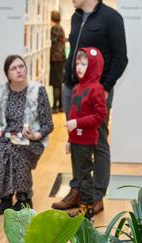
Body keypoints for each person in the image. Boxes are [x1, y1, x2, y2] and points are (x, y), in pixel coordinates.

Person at [54, 0, 127, 216]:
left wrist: (105, 87)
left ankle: (96, 196)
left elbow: (121, 57)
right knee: (77, 139)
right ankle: (78, 189)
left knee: (99, 141)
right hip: (72, 88)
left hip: (96, 91)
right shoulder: (76, 17)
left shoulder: (111, 18)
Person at [0, 55, 54, 214]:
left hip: (31, 140)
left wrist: (35, 135)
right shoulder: (0, 91)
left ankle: (24, 197)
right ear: (7, 74)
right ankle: (5, 197)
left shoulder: (38, 90)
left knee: (16, 148)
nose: (19, 70)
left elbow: (48, 124)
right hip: (5, 137)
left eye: (21, 66)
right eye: (14, 68)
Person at [65, 48, 108, 219]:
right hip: (75, 139)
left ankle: (87, 207)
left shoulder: (96, 89)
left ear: (94, 66)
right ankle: (84, 204)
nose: (79, 67)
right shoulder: (78, 87)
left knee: (84, 174)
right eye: (77, 63)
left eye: (84, 64)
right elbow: (74, 114)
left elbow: (100, 115)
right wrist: (70, 138)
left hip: (86, 140)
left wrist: (77, 123)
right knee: (79, 173)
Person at [49, 10, 66, 113]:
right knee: (59, 83)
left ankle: (55, 107)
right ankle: (60, 107)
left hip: (56, 59)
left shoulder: (54, 28)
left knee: (56, 83)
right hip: (60, 58)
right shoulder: (60, 28)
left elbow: (52, 41)